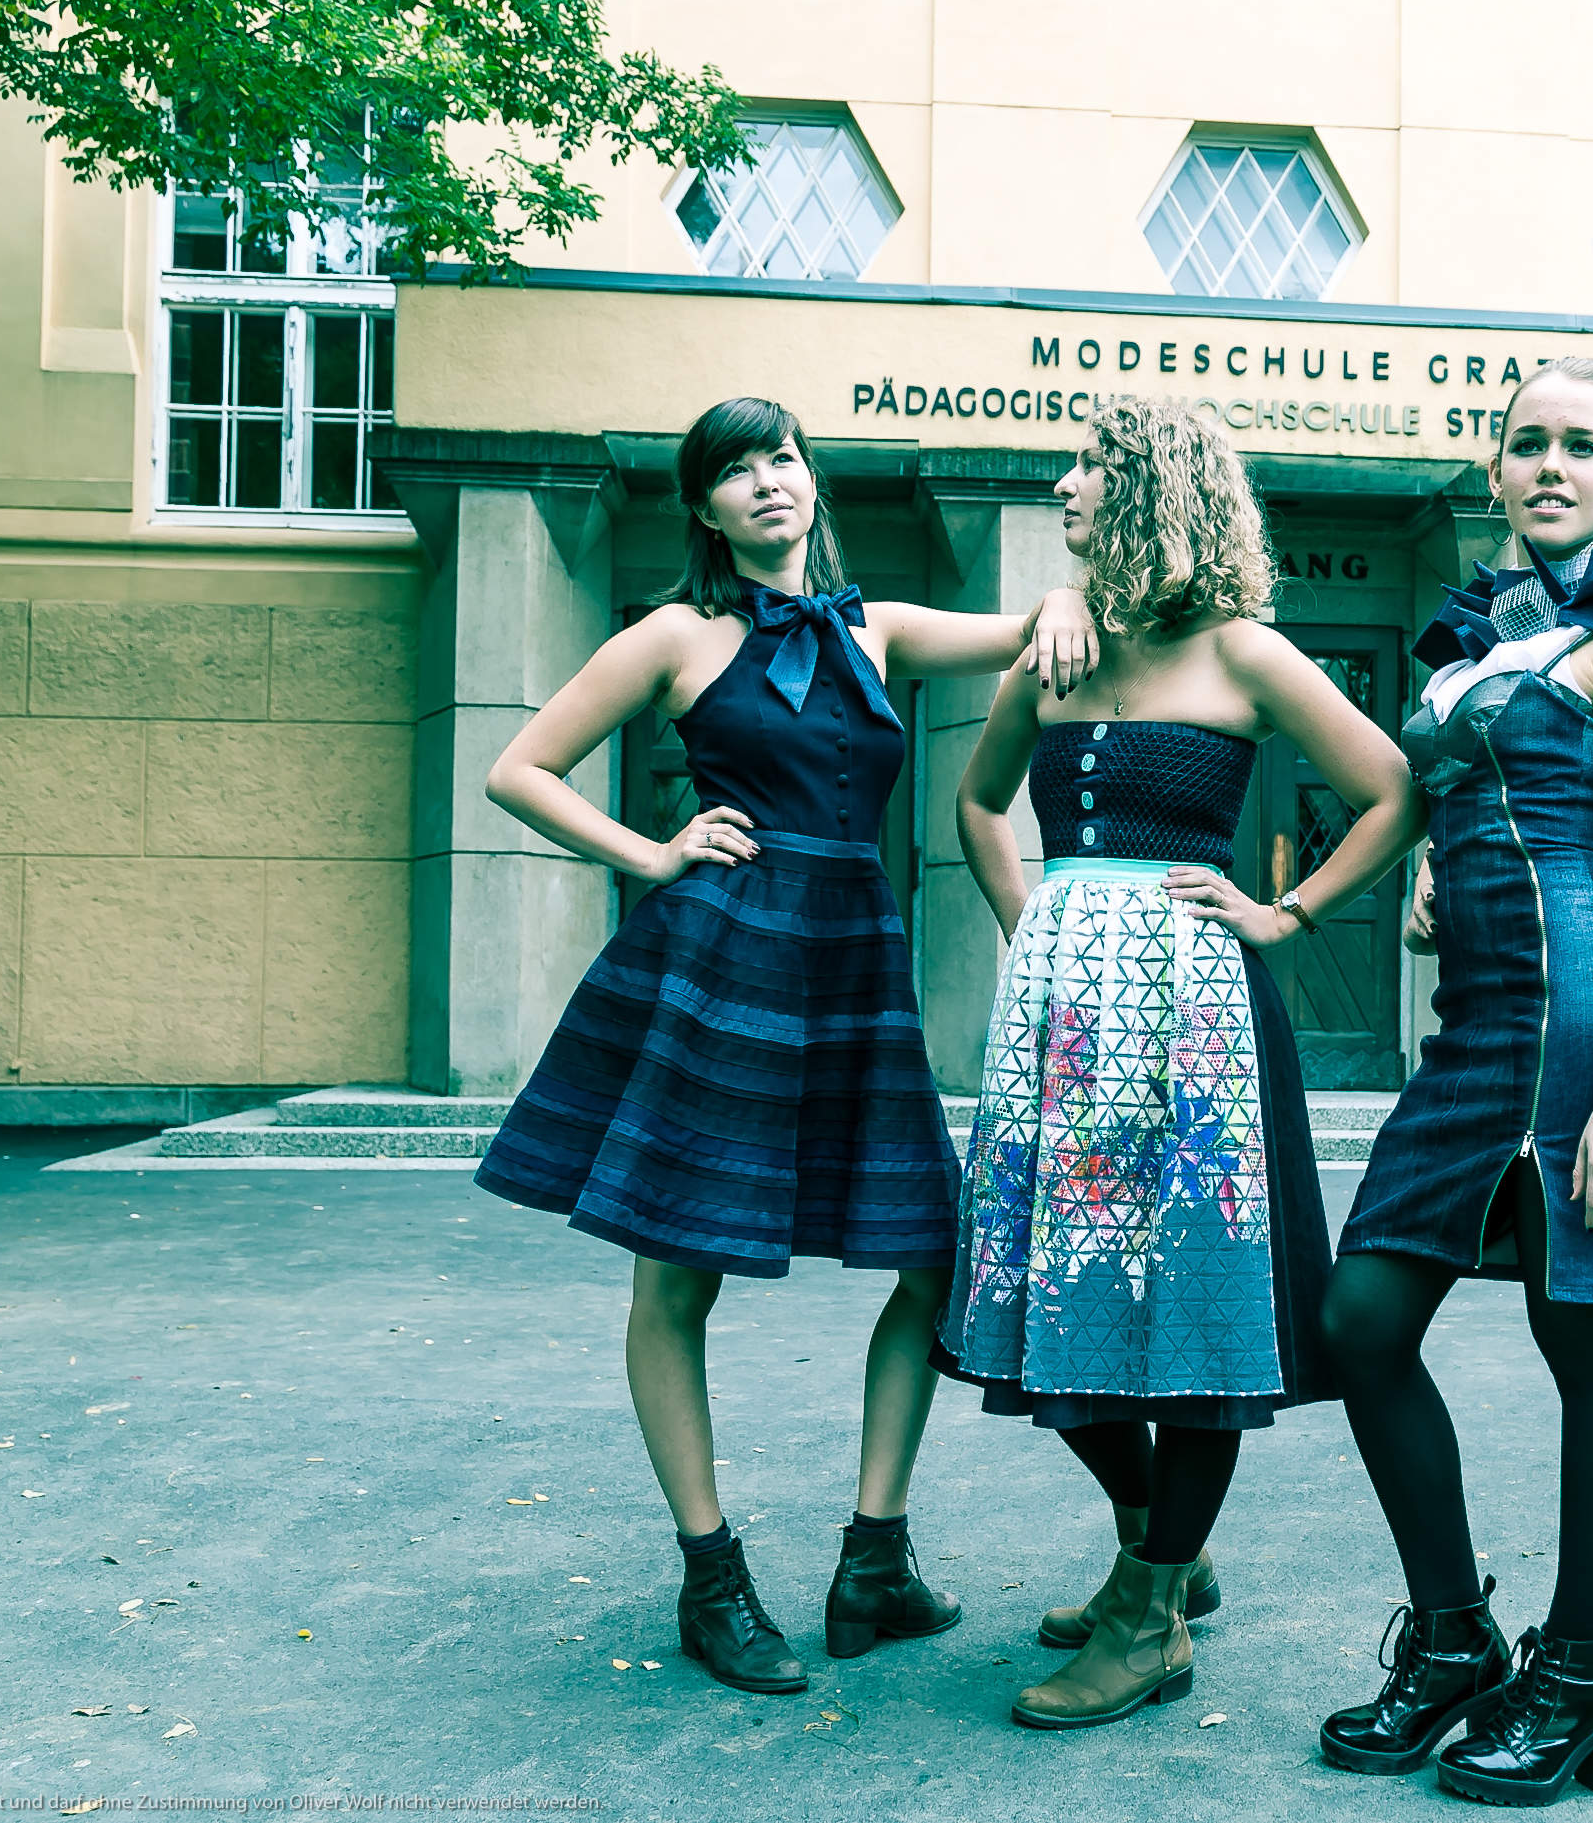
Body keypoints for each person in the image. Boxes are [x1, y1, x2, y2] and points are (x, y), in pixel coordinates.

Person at [474, 396, 1099, 1696]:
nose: (767, 481)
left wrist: (1058, 603)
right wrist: (651, 852)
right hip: (724, 959)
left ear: (812, 480)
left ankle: (875, 1556)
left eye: (784, 457)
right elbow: (518, 769)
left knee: (929, 1255)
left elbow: (1030, 626)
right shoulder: (671, 634)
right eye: (735, 469)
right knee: (676, 1274)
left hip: (853, 963)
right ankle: (712, 1578)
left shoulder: (878, 627)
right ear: (703, 507)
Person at [937, 399, 1424, 1730]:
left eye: (1090, 465)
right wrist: (1033, 924)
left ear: (1156, 486)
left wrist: (1289, 911)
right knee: (1053, 1287)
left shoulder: (1244, 652)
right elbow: (976, 803)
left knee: (1199, 1305)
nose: (1063, 482)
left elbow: (1391, 789)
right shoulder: (1054, 649)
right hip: (1060, 1028)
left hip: (1197, 1021)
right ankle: (1160, 1544)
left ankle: (1148, 1616)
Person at [1316, 356, 1593, 1805]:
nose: (1551, 464)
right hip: (1471, 1028)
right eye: (1527, 442)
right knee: (1360, 1320)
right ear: (1494, 473)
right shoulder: (1485, 640)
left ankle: (1584, 1673)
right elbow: (1472, 788)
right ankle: (1454, 1639)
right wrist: (1435, 860)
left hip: (1576, 1029)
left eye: (1581, 445)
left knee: (1586, 1345)